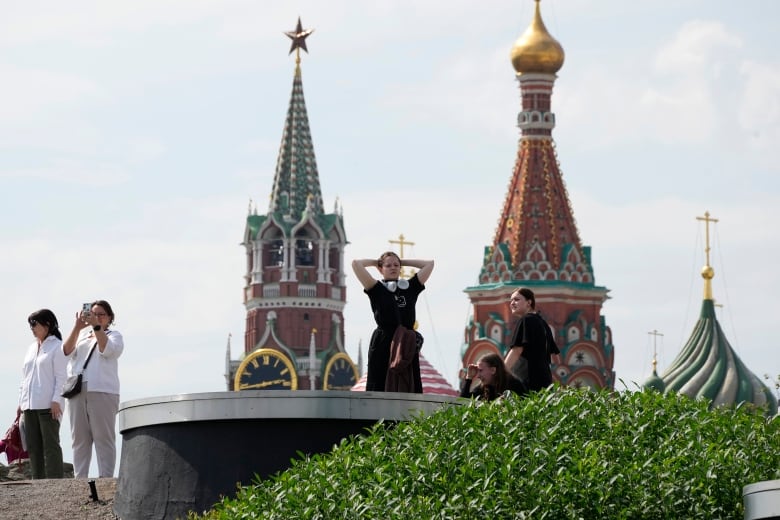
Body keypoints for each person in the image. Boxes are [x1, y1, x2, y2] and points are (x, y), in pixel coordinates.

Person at [352, 252, 434, 392]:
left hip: (406, 342)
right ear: (381, 269)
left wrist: (402, 261)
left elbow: (429, 264)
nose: (393, 268)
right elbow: (356, 264)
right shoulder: (376, 288)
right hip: (384, 341)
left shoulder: (410, 287)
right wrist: (376, 262)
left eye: (396, 265)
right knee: (380, 384)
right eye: (388, 265)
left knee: (409, 383)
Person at [62, 300, 124, 478]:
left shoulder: (115, 335)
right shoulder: (82, 336)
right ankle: (79, 478)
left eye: (101, 314)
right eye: (93, 314)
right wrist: (77, 327)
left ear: (109, 317)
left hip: (102, 390)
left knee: (103, 437)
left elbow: (108, 349)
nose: (96, 317)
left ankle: (105, 477)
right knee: (79, 438)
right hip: (77, 389)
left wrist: (97, 327)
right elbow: (66, 351)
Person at [17, 309, 67, 478]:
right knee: (33, 445)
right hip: (29, 405)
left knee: (51, 445)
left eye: (34, 324)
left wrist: (56, 400)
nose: (31, 328)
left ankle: (55, 481)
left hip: (48, 404)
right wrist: (20, 403)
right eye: (30, 324)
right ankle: (37, 481)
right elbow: (25, 377)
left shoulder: (57, 346)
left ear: (47, 325)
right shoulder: (31, 348)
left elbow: (62, 377)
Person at [504, 288, 557, 392]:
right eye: (511, 300)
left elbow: (516, 350)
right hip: (545, 381)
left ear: (529, 302)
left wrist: (501, 372)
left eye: (516, 299)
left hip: (528, 380)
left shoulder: (526, 320)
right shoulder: (542, 323)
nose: (512, 303)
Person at [460, 353, 528, 401]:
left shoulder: (514, 385)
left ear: (493, 370)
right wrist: (469, 378)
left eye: (481, 370)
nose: (478, 376)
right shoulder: (483, 388)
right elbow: (462, 402)